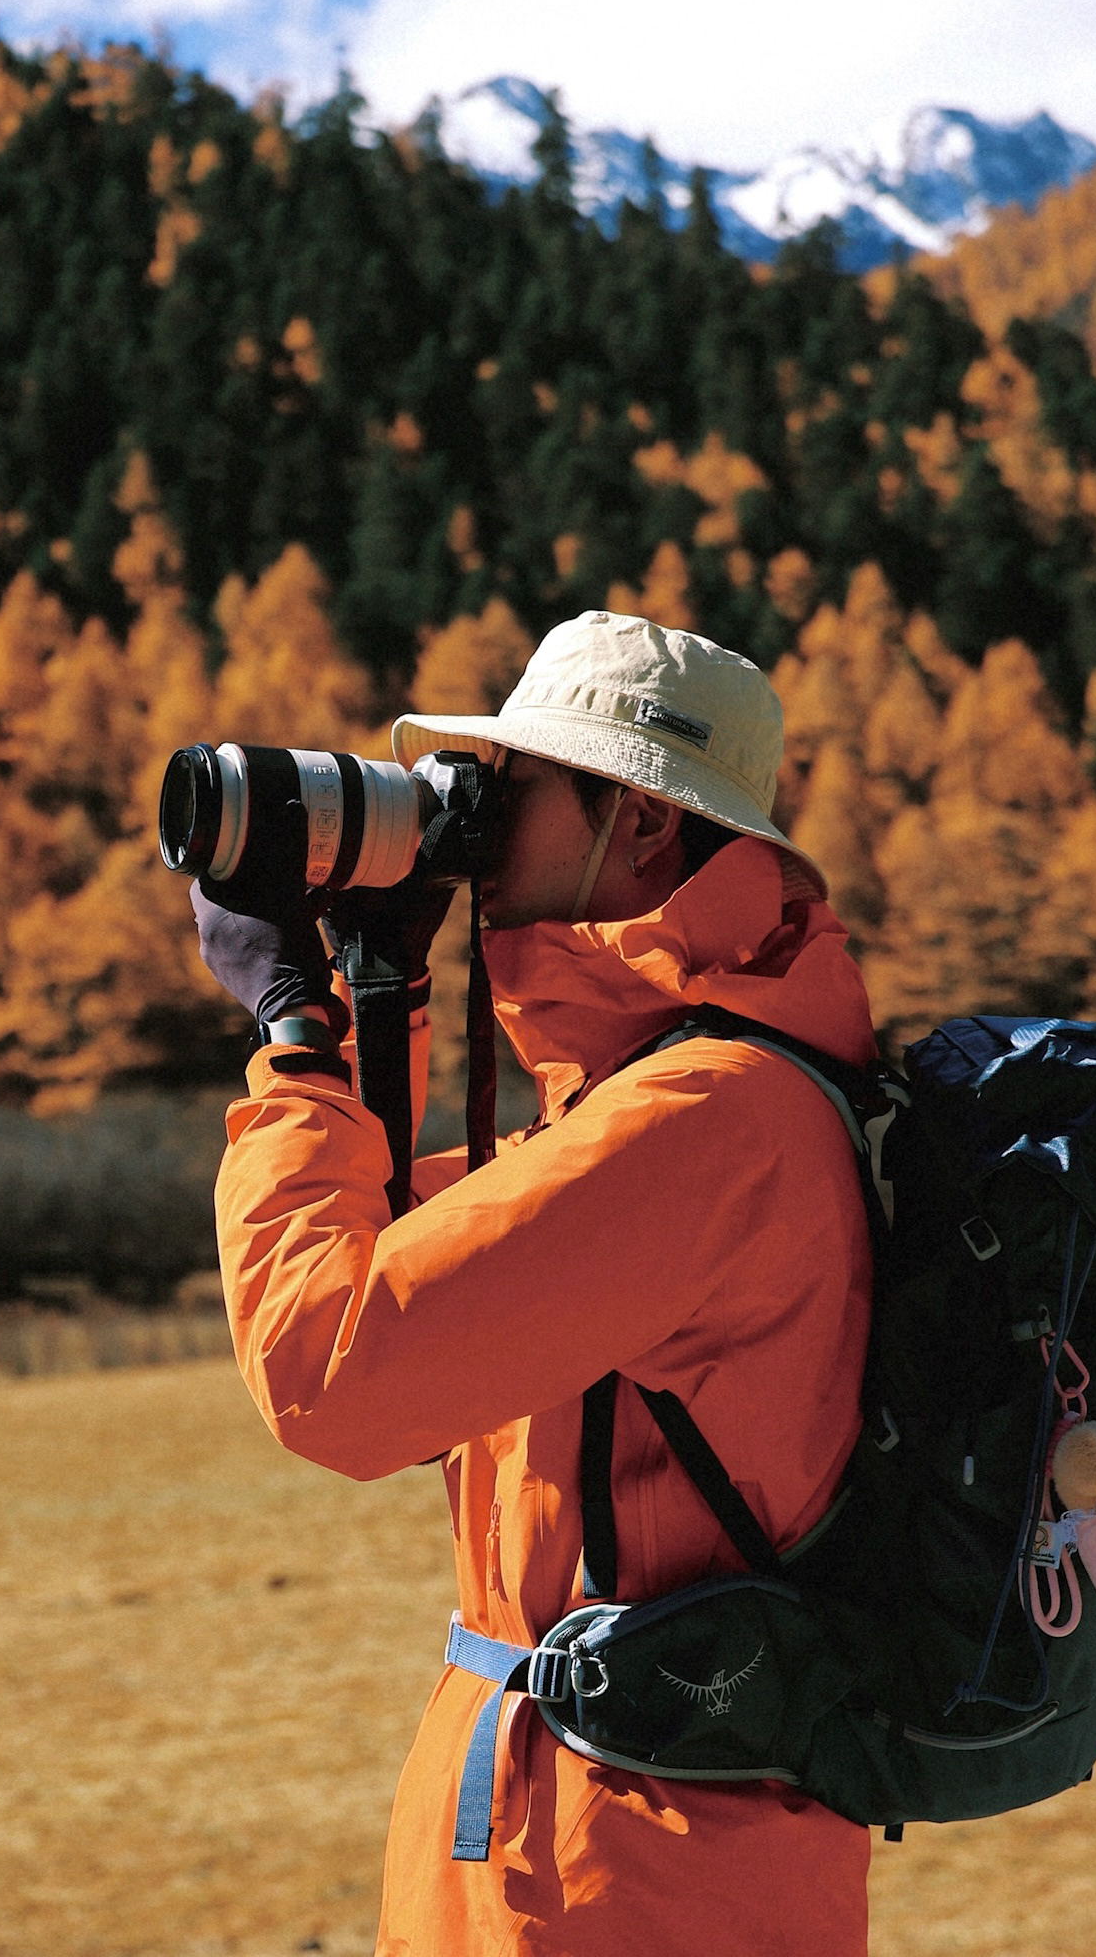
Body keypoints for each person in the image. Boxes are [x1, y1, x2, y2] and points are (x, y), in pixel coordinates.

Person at [191, 608, 877, 1957]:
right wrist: (379, 992)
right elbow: (409, 1293)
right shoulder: (674, 1098)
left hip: (618, 1873)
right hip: (600, 1838)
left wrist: (295, 1041)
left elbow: (332, 1377)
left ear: (641, 821)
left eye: (512, 790)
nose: (476, 826)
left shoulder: (700, 1122)